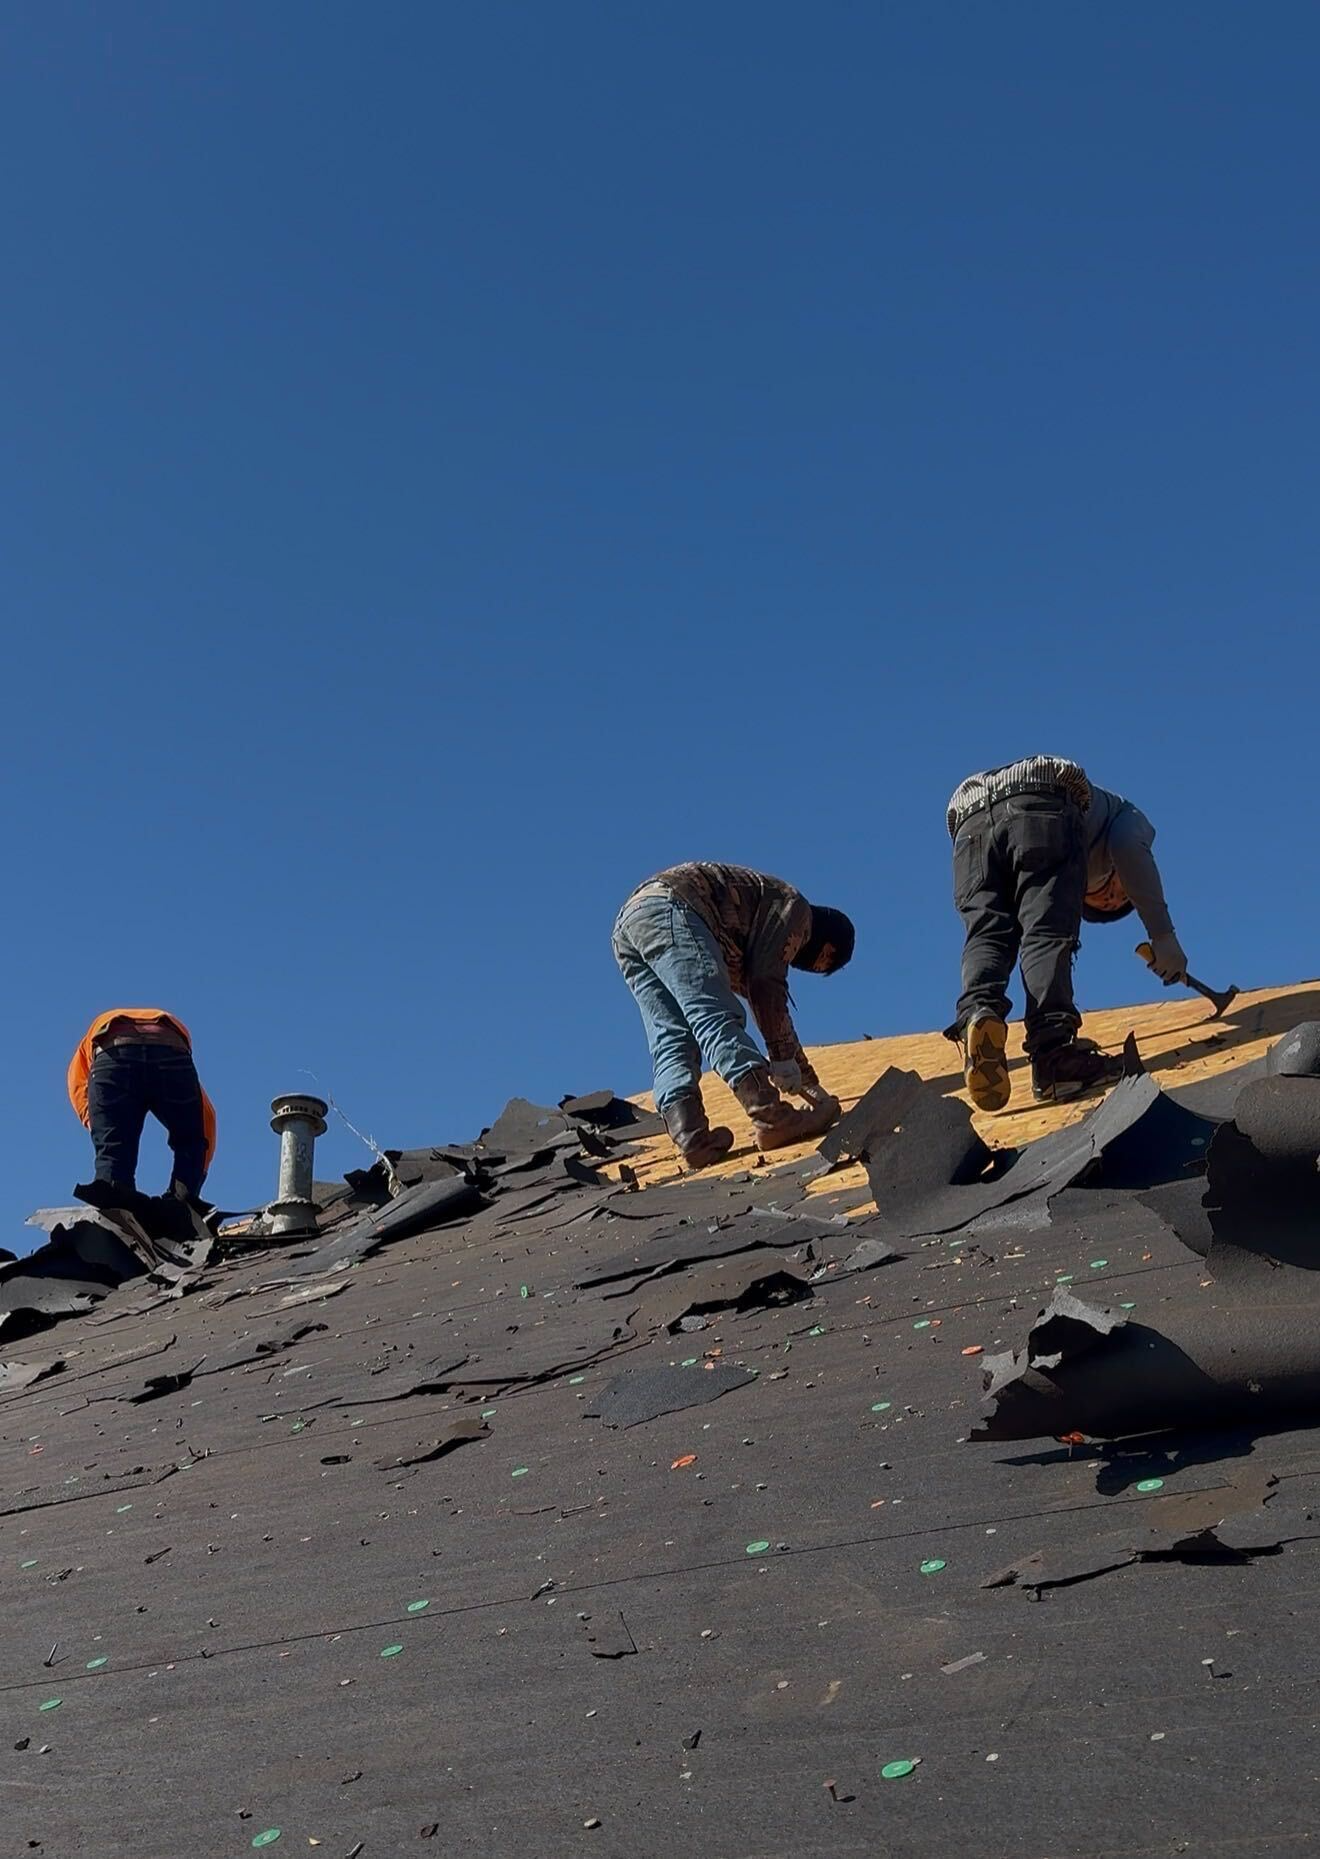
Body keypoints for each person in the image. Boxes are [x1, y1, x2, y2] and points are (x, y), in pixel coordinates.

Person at [945, 757, 1186, 1111]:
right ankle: (1054, 1056)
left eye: (1106, 903)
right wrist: (1163, 935)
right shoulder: (1125, 816)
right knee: (1046, 930)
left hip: (969, 818)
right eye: (1121, 895)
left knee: (987, 933)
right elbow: (1129, 847)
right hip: (1041, 796)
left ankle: (978, 1012)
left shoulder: (1092, 844)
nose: (1112, 898)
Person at [613, 863, 854, 1168]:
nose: (812, 966)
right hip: (674, 907)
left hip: (630, 924)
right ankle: (770, 1116)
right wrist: (783, 1060)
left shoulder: (753, 933)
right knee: (714, 1016)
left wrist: (807, 1080)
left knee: (671, 1036)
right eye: (824, 962)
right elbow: (766, 985)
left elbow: (765, 1002)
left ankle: (692, 1137)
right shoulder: (796, 910)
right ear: (828, 948)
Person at [67, 1008, 216, 1205]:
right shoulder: (182, 1069)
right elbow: (205, 1123)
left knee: (113, 1155)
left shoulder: (85, 1052)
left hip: (112, 1049)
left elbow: (77, 1084)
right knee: (190, 1142)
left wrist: (100, 1123)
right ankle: (182, 1204)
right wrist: (193, 1183)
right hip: (171, 1048)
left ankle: (114, 1195)